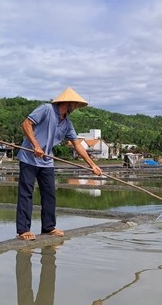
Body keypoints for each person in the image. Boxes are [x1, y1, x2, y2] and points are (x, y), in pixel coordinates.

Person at [16, 87, 102, 240]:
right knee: (26, 194)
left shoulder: (67, 123)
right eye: (74, 105)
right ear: (67, 103)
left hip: (47, 161)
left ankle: (48, 228)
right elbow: (26, 124)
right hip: (29, 157)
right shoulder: (46, 109)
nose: (75, 108)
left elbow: (77, 145)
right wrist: (35, 145)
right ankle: (23, 230)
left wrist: (92, 165)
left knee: (50, 195)